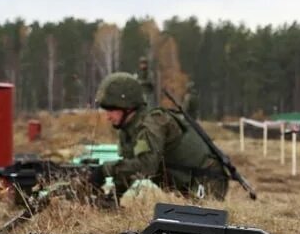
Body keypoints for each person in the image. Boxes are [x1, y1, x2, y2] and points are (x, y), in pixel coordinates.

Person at [92, 72, 229, 200]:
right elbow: (130, 168)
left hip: (206, 180)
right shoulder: (128, 129)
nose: (108, 116)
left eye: (111, 109)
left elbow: (146, 166)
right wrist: (113, 197)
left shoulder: (153, 123)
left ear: (127, 107)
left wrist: (105, 170)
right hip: (188, 183)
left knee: (196, 221)